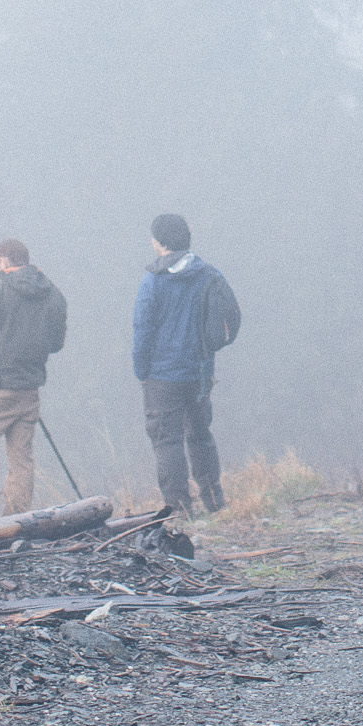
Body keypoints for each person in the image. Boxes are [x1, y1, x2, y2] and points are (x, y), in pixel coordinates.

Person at [131, 213, 239, 516]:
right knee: (201, 435)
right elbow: (230, 314)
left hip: (162, 375)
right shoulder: (209, 273)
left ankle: (180, 510)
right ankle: (214, 502)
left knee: (167, 441)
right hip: (200, 371)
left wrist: (141, 371)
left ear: (159, 242)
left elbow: (143, 329)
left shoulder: (153, 280)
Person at [0, 237, 68, 525]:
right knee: (21, 458)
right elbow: (56, 343)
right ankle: (17, 523)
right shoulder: (52, 293)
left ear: (3, 262)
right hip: (29, 388)